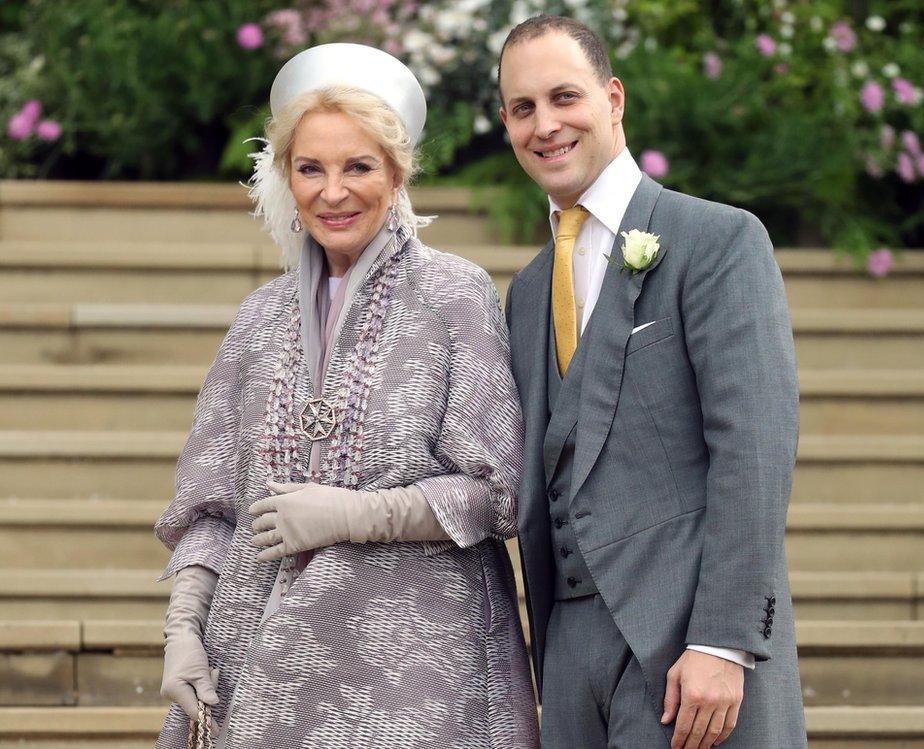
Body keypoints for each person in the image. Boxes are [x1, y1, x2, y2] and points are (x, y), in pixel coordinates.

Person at [153, 43, 538, 749]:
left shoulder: (456, 295)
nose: (334, 192)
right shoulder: (258, 320)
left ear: (397, 176)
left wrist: (358, 514)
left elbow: (499, 493)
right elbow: (209, 508)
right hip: (256, 664)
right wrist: (183, 633)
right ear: (286, 178)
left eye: (358, 166)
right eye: (311, 169)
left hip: (417, 674)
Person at [498, 16, 806, 749]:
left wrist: (724, 641)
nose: (545, 125)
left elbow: (753, 447)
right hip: (570, 663)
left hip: (688, 657)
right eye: (521, 108)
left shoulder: (717, 241)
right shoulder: (526, 289)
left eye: (563, 97)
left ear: (613, 99)